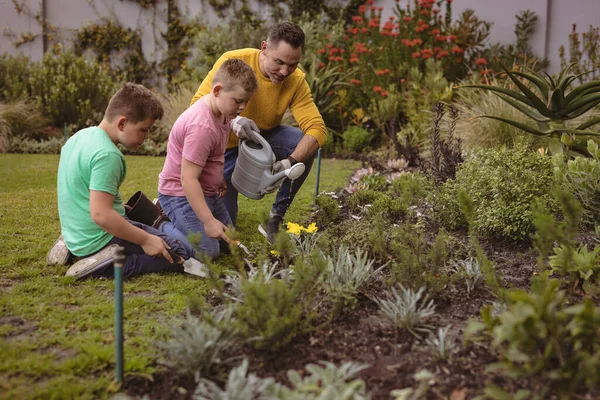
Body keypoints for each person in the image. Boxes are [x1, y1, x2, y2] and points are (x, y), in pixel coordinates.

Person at [46, 83, 204, 280]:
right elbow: (101, 215)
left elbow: (82, 193)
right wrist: (146, 240)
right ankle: (102, 264)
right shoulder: (108, 155)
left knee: (156, 240)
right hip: (99, 237)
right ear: (122, 123)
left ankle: (72, 244)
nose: (146, 137)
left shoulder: (80, 137)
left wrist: (120, 209)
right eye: (143, 130)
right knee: (178, 253)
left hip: (79, 232)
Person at [190, 21, 327, 243]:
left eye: (292, 64)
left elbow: (317, 129)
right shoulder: (233, 61)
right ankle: (170, 204)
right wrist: (233, 121)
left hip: (261, 140)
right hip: (221, 150)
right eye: (279, 62)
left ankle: (274, 219)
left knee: (304, 144)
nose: (285, 71)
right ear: (264, 48)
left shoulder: (296, 80)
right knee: (223, 233)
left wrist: (288, 163)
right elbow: (197, 104)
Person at [157, 59, 258, 259]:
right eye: (238, 101)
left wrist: (217, 177)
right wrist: (208, 221)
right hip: (179, 194)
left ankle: (187, 222)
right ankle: (159, 223)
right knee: (207, 251)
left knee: (229, 241)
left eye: (246, 101)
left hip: (206, 192)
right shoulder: (201, 127)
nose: (242, 107)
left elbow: (213, 155)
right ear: (218, 90)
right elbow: (188, 179)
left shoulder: (222, 113)